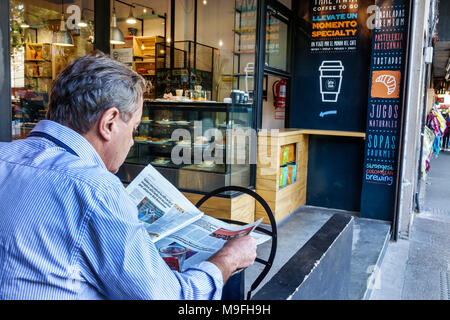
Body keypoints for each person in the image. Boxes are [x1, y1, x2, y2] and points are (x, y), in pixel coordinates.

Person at [0, 51, 256, 300]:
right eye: (133, 129)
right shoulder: (96, 190)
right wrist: (228, 259)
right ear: (109, 122)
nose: (133, 142)